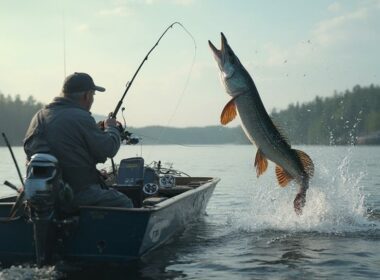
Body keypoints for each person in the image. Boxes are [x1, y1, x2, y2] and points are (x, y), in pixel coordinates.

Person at [24, 72, 133, 209]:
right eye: (93, 95)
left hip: (39, 194)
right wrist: (111, 128)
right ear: (86, 95)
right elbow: (108, 149)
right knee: (124, 202)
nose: (92, 99)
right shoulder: (81, 117)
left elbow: (63, 151)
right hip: (74, 193)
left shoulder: (38, 116)